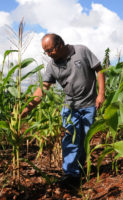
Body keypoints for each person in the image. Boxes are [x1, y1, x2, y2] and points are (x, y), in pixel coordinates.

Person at [21, 33, 105, 188]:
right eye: (45, 51)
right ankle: (70, 174)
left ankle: (79, 170)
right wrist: (27, 107)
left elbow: (99, 70)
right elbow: (43, 89)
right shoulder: (52, 65)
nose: (48, 54)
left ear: (60, 44)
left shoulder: (81, 51)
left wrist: (100, 94)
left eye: (50, 50)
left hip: (89, 106)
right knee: (70, 140)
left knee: (84, 140)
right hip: (70, 107)